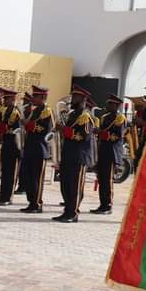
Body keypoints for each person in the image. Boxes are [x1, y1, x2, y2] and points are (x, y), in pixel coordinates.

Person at [53, 86, 95, 223]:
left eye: (76, 97)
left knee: (75, 186)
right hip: (68, 154)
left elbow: (83, 136)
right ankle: (67, 211)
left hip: (79, 156)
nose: (72, 99)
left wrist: (64, 130)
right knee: (65, 185)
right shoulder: (72, 114)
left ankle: (73, 213)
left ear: (83, 99)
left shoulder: (85, 116)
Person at [19, 85, 54, 214]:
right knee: (28, 177)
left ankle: (37, 204)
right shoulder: (35, 110)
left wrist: (28, 125)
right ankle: (31, 202)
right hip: (30, 147)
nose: (33, 98)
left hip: (40, 149)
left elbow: (46, 129)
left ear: (43, 97)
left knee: (36, 179)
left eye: (36, 96)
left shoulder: (47, 111)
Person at [91, 94, 125, 215]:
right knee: (101, 179)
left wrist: (101, 133)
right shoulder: (105, 117)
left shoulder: (120, 118)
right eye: (108, 103)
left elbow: (117, 136)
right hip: (103, 150)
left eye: (111, 104)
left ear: (116, 106)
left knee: (107, 180)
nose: (108, 106)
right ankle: (102, 204)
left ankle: (108, 206)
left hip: (111, 152)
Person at [0, 88, 22, 206]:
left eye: (7, 99)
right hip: (6, 143)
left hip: (15, 145)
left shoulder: (16, 112)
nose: (4, 101)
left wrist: (0, 127)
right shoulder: (4, 111)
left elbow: (16, 129)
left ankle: (8, 197)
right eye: (4, 98)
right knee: (4, 172)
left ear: (13, 99)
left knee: (11, 173)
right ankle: (2, 197)